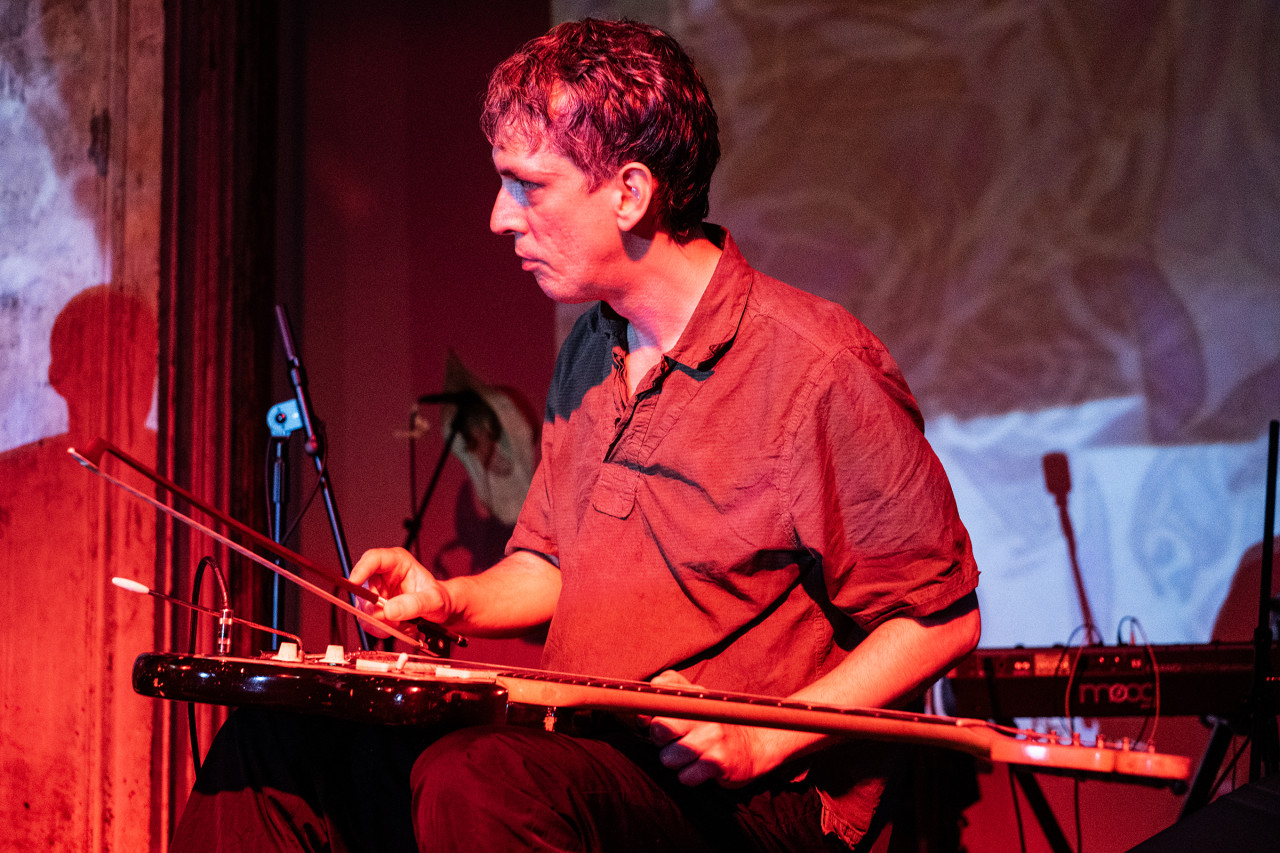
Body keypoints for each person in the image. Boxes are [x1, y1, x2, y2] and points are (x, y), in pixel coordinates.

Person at [173, 18, 980, 852]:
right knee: (276, 738)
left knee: (481, 778)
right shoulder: (593, 348)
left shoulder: (816, 367)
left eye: (527, 185)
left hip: (760, 794)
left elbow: (940, 619)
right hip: (593, 754)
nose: (499, 217)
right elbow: (553, 563)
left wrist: (762, 737)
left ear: (629, 193)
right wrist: (448, 599)